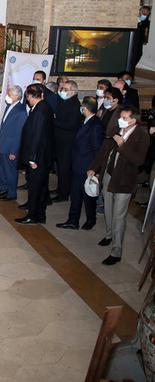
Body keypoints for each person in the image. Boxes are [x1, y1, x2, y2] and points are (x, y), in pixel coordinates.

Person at [88, 105, 149, 265]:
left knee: (119, 215)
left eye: (124, 118)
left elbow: (138, 160)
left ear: (133, 121)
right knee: (108, 209)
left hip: (125, 180)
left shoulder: (142, 137)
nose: (120, 120)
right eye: (120, 117)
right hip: (109, 175)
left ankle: (116, 250)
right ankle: (109, 235)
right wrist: (94, 167)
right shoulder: (115, 129)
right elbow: (104, 151)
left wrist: (123, 145)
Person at [56, 97, 104, 231]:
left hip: (87, 167)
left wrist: (96, 170)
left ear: (85, 109)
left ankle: (91, 219)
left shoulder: (95, 126)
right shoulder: (85, 122)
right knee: (76, 195)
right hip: (77, 165)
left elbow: (97, 150)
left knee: (88, 196)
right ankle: (73, 220)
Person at [15, 84, 54, 225]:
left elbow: (36, 135)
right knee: (42, 187)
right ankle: (40, 215)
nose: (27, 100)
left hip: (39, 156)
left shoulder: (39, 111)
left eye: (27, 97)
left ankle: (33, 215)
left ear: (31, 96)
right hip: (44, 155)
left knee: (35, 187)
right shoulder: (45, 107)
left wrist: (32, 158)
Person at [0, 85, 27, 202]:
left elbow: (18, 134)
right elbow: (3, 128)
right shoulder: (9, 107)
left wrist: (14, 151)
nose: (7, 96)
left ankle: (12, 193)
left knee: (11, 171)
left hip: (11, 148)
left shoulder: (21, 111)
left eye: (10, 94)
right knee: (3, 169)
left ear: (16, 97)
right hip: (4, 145)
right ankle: (4, 188)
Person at [53, 80, 83, 203]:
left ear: (73, 92)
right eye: (62, 88)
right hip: (60, 140)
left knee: (64, 168)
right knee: (60, 168)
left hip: (67, 142)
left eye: (66, 89)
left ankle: (63, 194)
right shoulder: (65, 102)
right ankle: (60, 188)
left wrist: (54, 120)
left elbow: (70, 125)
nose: (62, 91)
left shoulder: (74, 105)